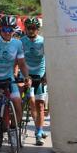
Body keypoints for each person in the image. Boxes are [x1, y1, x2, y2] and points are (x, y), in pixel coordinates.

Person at [0, 15, 30, 153]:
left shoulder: (18, 44)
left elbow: (22, 64)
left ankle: (14, 131)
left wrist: (27, 76)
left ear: (14, 30)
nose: (7, 32)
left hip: (8, 79)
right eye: (4, 29)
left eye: (10, 29)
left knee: (17, 103)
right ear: (0, 29)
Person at [20, 17, 48, 145]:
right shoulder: (21, 42)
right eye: (28, 28)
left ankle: (39, 132)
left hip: (39, 75)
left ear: (38, 29)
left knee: (40, 105)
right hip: (26, 75)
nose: (31, 31)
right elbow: (17, 60)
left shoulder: (43, 42)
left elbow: (49, 59)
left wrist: (46, 75)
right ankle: (37, 128)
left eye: (34, 28)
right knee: (31, 102)